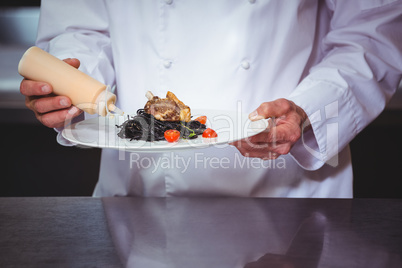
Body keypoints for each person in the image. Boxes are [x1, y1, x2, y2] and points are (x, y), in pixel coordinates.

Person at [20, 1, 402, 197]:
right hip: (140, 195)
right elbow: (80, 28)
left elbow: (370, 34)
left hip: (287, 194)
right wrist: (72, 83)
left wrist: (306, 108)